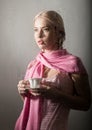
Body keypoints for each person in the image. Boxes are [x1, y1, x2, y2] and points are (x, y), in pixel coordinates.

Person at [14, 10, 91, 130]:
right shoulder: (33, 64)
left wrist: (57, 95)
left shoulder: (73, 63)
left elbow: (85, 104)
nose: (39, 35)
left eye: (45, 29)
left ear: (59, 32)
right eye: (35, 30)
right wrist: (22, 91)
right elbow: (29, 102)